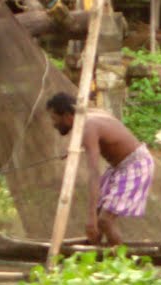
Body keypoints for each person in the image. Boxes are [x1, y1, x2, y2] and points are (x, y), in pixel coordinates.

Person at [46, 91, 154, 246]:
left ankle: (121, 259)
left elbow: (94, 174)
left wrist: (91, 219)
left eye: (54, 118)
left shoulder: (88, 127)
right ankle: (92, 250)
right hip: (119, 166)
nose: (53, 124)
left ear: (67, 116)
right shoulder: (87, 117)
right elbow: (106, 140)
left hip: (135, 165)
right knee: (98, 219)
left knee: (104, 221)